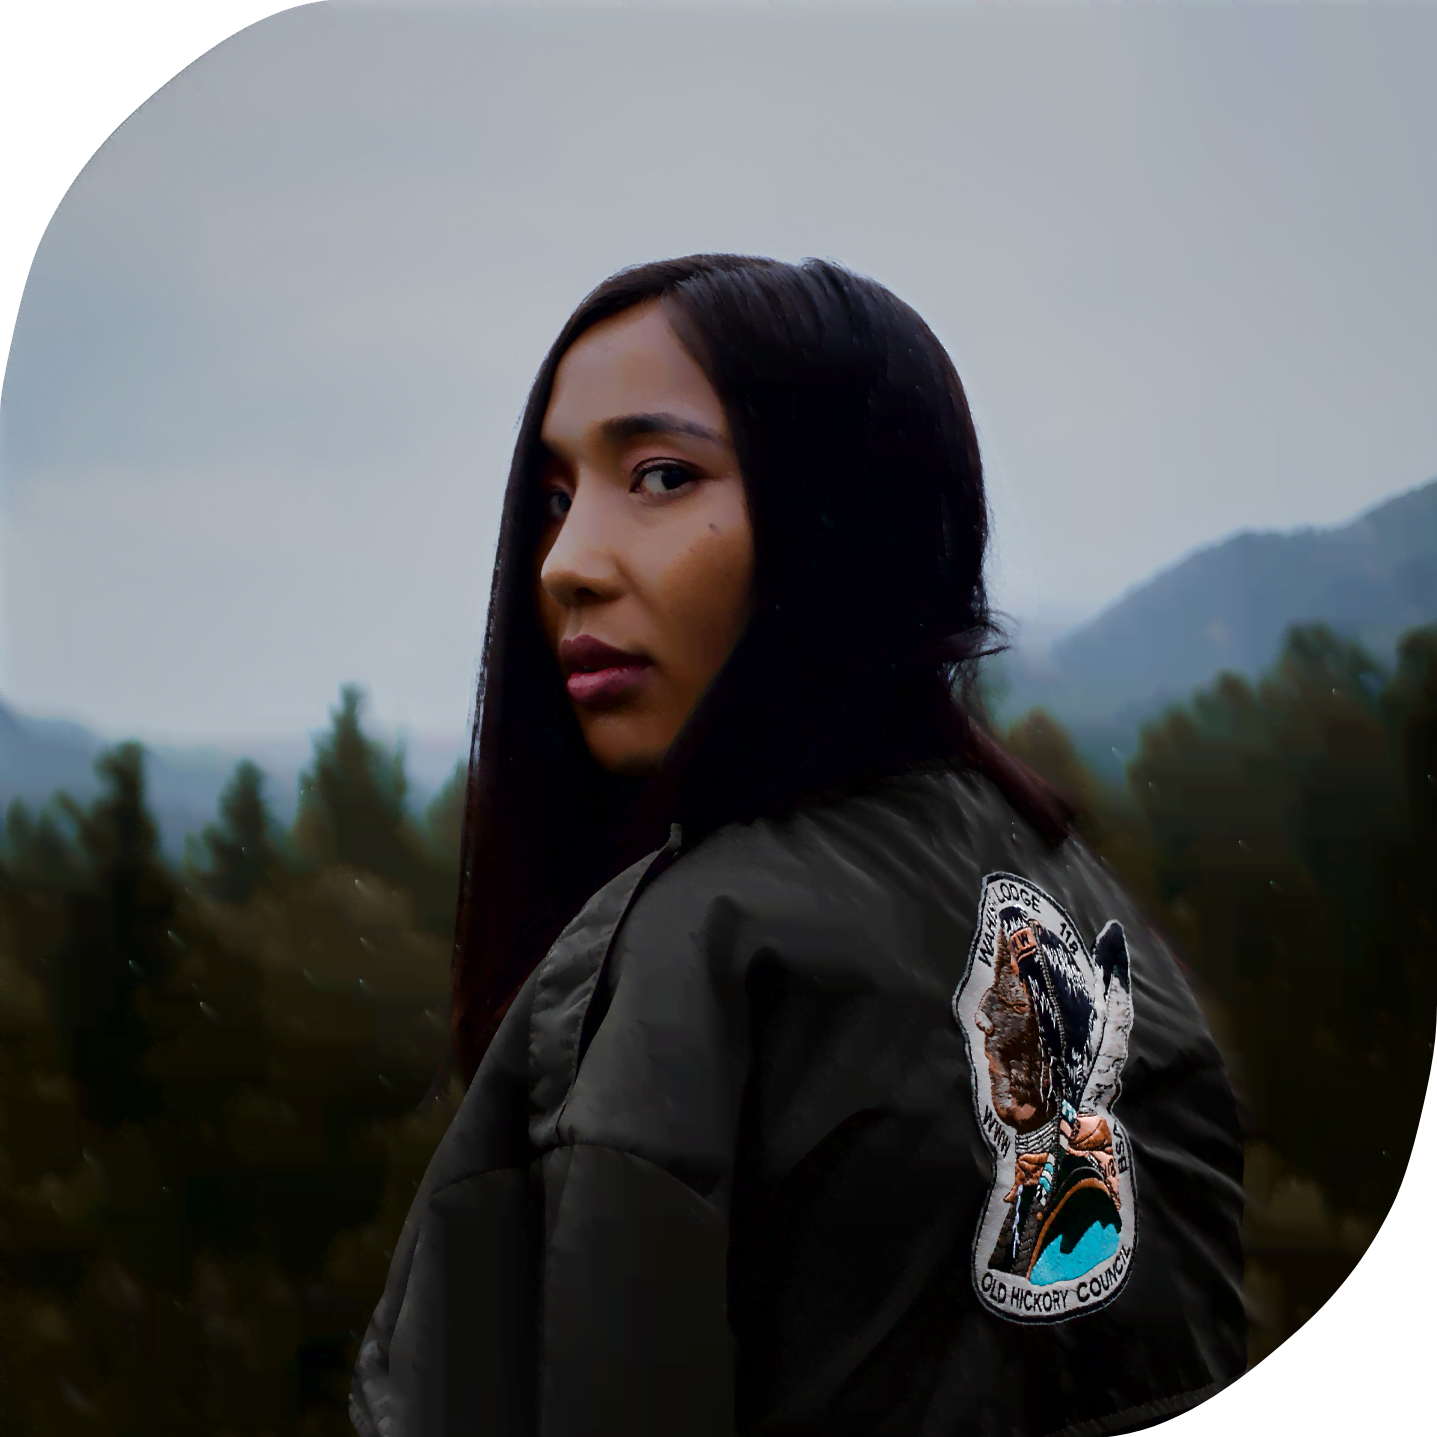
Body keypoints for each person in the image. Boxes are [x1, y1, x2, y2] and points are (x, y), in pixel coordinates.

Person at [349, 255, 1248, 1437]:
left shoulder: (695, 951)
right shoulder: (1079, 909)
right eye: (558, 497)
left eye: (662, 475)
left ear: (845, 515)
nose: (566, 565)